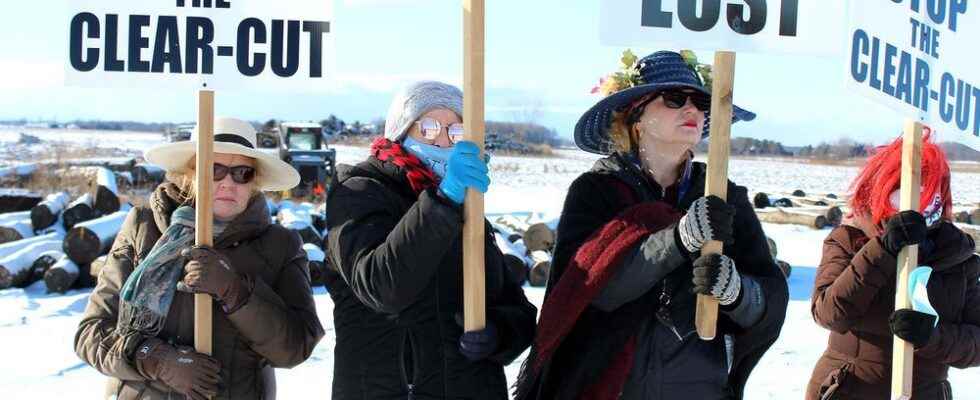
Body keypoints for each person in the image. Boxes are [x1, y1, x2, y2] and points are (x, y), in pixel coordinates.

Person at [514, 50, 788, 400]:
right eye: (674, 99)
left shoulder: (722, 196)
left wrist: (737, 292)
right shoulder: (596, 192)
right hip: (607, 389)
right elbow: (587, 290)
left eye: (701, 102)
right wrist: (679, 239)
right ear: (636, 118)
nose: (692, 110)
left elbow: (770, 299)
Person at [75, 117, 325, 400]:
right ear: (190, 173)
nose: (228, 183)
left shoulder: (281, 245)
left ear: (254, 181)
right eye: (214, 169)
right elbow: (91, 333)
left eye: (242, 173)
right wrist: (154, 359)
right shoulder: (143, 228)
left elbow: (295, 347)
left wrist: (236, 292)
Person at [325, 81, 537, 399]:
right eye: (429, 127)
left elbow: (517, 308)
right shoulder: (359, 192)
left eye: (455, 130)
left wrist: (498, 333)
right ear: (401, 129)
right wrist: (444, 200)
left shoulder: (468, 209)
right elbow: (382, 287)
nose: (442, 139)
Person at [807, 134, 980, 399]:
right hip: (849, 390)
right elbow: (829, 313)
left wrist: (933, 337)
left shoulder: (958, 257)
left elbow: (976, 342)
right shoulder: (849, 239)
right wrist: (881, 250)